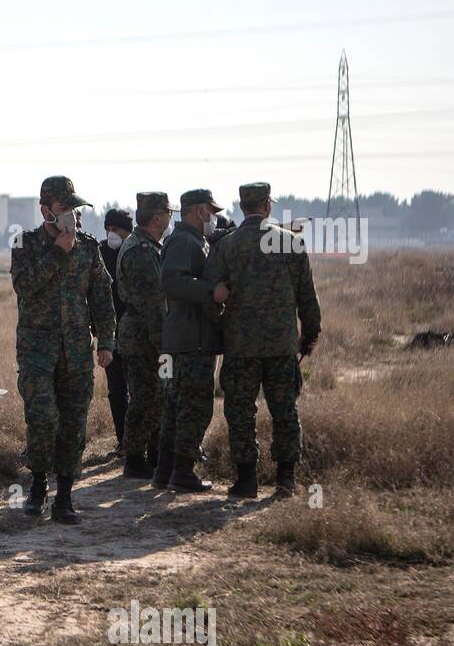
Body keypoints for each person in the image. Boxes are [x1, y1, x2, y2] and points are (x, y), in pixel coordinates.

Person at [204, 182, 321, 498]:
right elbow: (307, 297)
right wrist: (310, 334)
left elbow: (211, 297)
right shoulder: (291, 244)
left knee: (241, 412)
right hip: (281, 345)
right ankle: (285, 481)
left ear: (243, 207)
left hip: (240, 347)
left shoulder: (226, 246)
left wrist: (221, 333)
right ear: (268, 205)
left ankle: (246, 480)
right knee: (285, 410)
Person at [10, 176, 116, 524]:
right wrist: (58, 252)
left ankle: (65, 496)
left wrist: (106, 342)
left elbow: (101, 296)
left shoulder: (88, 247)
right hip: (36, 351)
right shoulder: (24, 244)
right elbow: (25, 287)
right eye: (64, 209)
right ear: (45, 211)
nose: (72, 215)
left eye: (75, 208)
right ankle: (38, 486)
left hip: (76, 352)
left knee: (73, 423)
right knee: (42, 419)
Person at [157, 189, 230, 492]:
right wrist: (210, 292)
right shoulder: (184, 241)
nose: (212, 217)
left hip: (187, 339)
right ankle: (183, 472)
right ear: (198, 211)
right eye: (210, 211)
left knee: (176, 406)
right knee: (195, 406)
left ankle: (165, 471)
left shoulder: (192, 241)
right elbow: (172, 281)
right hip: (191, 340)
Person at [114, 192, 175, 479]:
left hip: (145, 334)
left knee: (154, 396)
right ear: (156, 217)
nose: (170, 217)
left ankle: (148, 452)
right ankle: (135, 457)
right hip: (143, 337)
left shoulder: (149, 246)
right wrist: (164, 343)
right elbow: (151, 303)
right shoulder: (140, 250)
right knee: (145, 397)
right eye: (167, 212)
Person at [100, 208, 133, 458]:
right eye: (108, 229)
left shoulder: (135, 250)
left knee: (138, 388)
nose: (112, 234)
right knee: (116, 389)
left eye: (117, 230)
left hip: (134, 332)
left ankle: (138, 442)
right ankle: (123, 440)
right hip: (109, 333)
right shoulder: (98, 253)